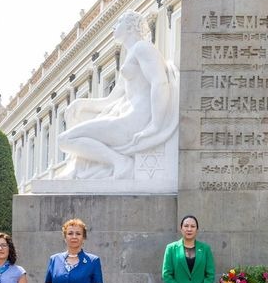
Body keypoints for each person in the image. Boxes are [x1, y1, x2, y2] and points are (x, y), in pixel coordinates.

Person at [58, 10, 179, 179]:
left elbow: (159, 83)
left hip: (136, 122)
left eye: (119, 22)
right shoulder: (130, 56)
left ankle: (120, 162)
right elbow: (110, 100)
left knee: (66, 140)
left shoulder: (143, 48)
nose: (113, 27)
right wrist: (82, 103)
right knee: (65, 140)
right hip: (127, 120)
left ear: (130, 26)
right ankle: (119, 162)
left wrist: (156, 126)